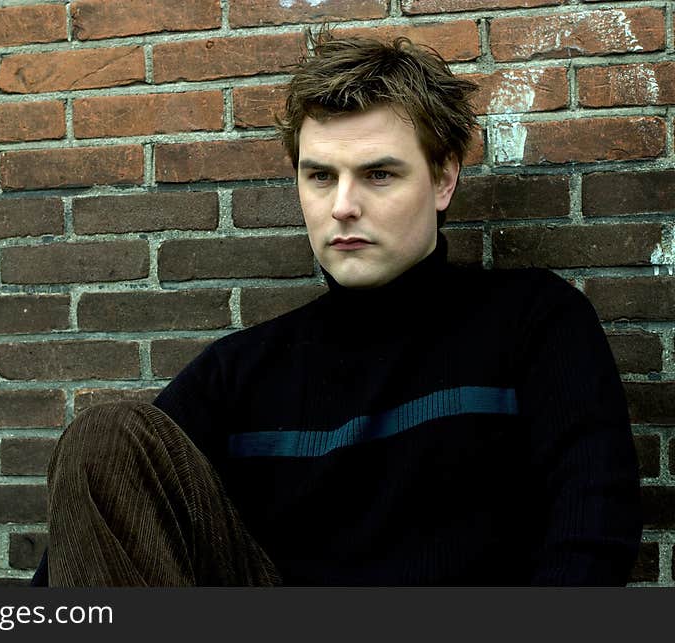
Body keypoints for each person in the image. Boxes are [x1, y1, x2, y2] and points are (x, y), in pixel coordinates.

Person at [33, 32, 641, 586]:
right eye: (320, 176)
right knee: (107, 438)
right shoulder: (238, 374)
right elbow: (88, 549)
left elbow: (592, 537)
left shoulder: (533, 322)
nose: (342, 206)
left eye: (378, 174)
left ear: (444, 178)